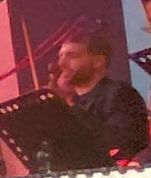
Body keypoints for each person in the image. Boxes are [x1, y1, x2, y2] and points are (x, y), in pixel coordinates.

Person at [51, 24, 149, 164]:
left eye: (71, 56)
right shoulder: (72, 103)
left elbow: (120, 146)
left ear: (98, 61)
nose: (61, 63)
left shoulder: (121, 95)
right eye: (60, 56)